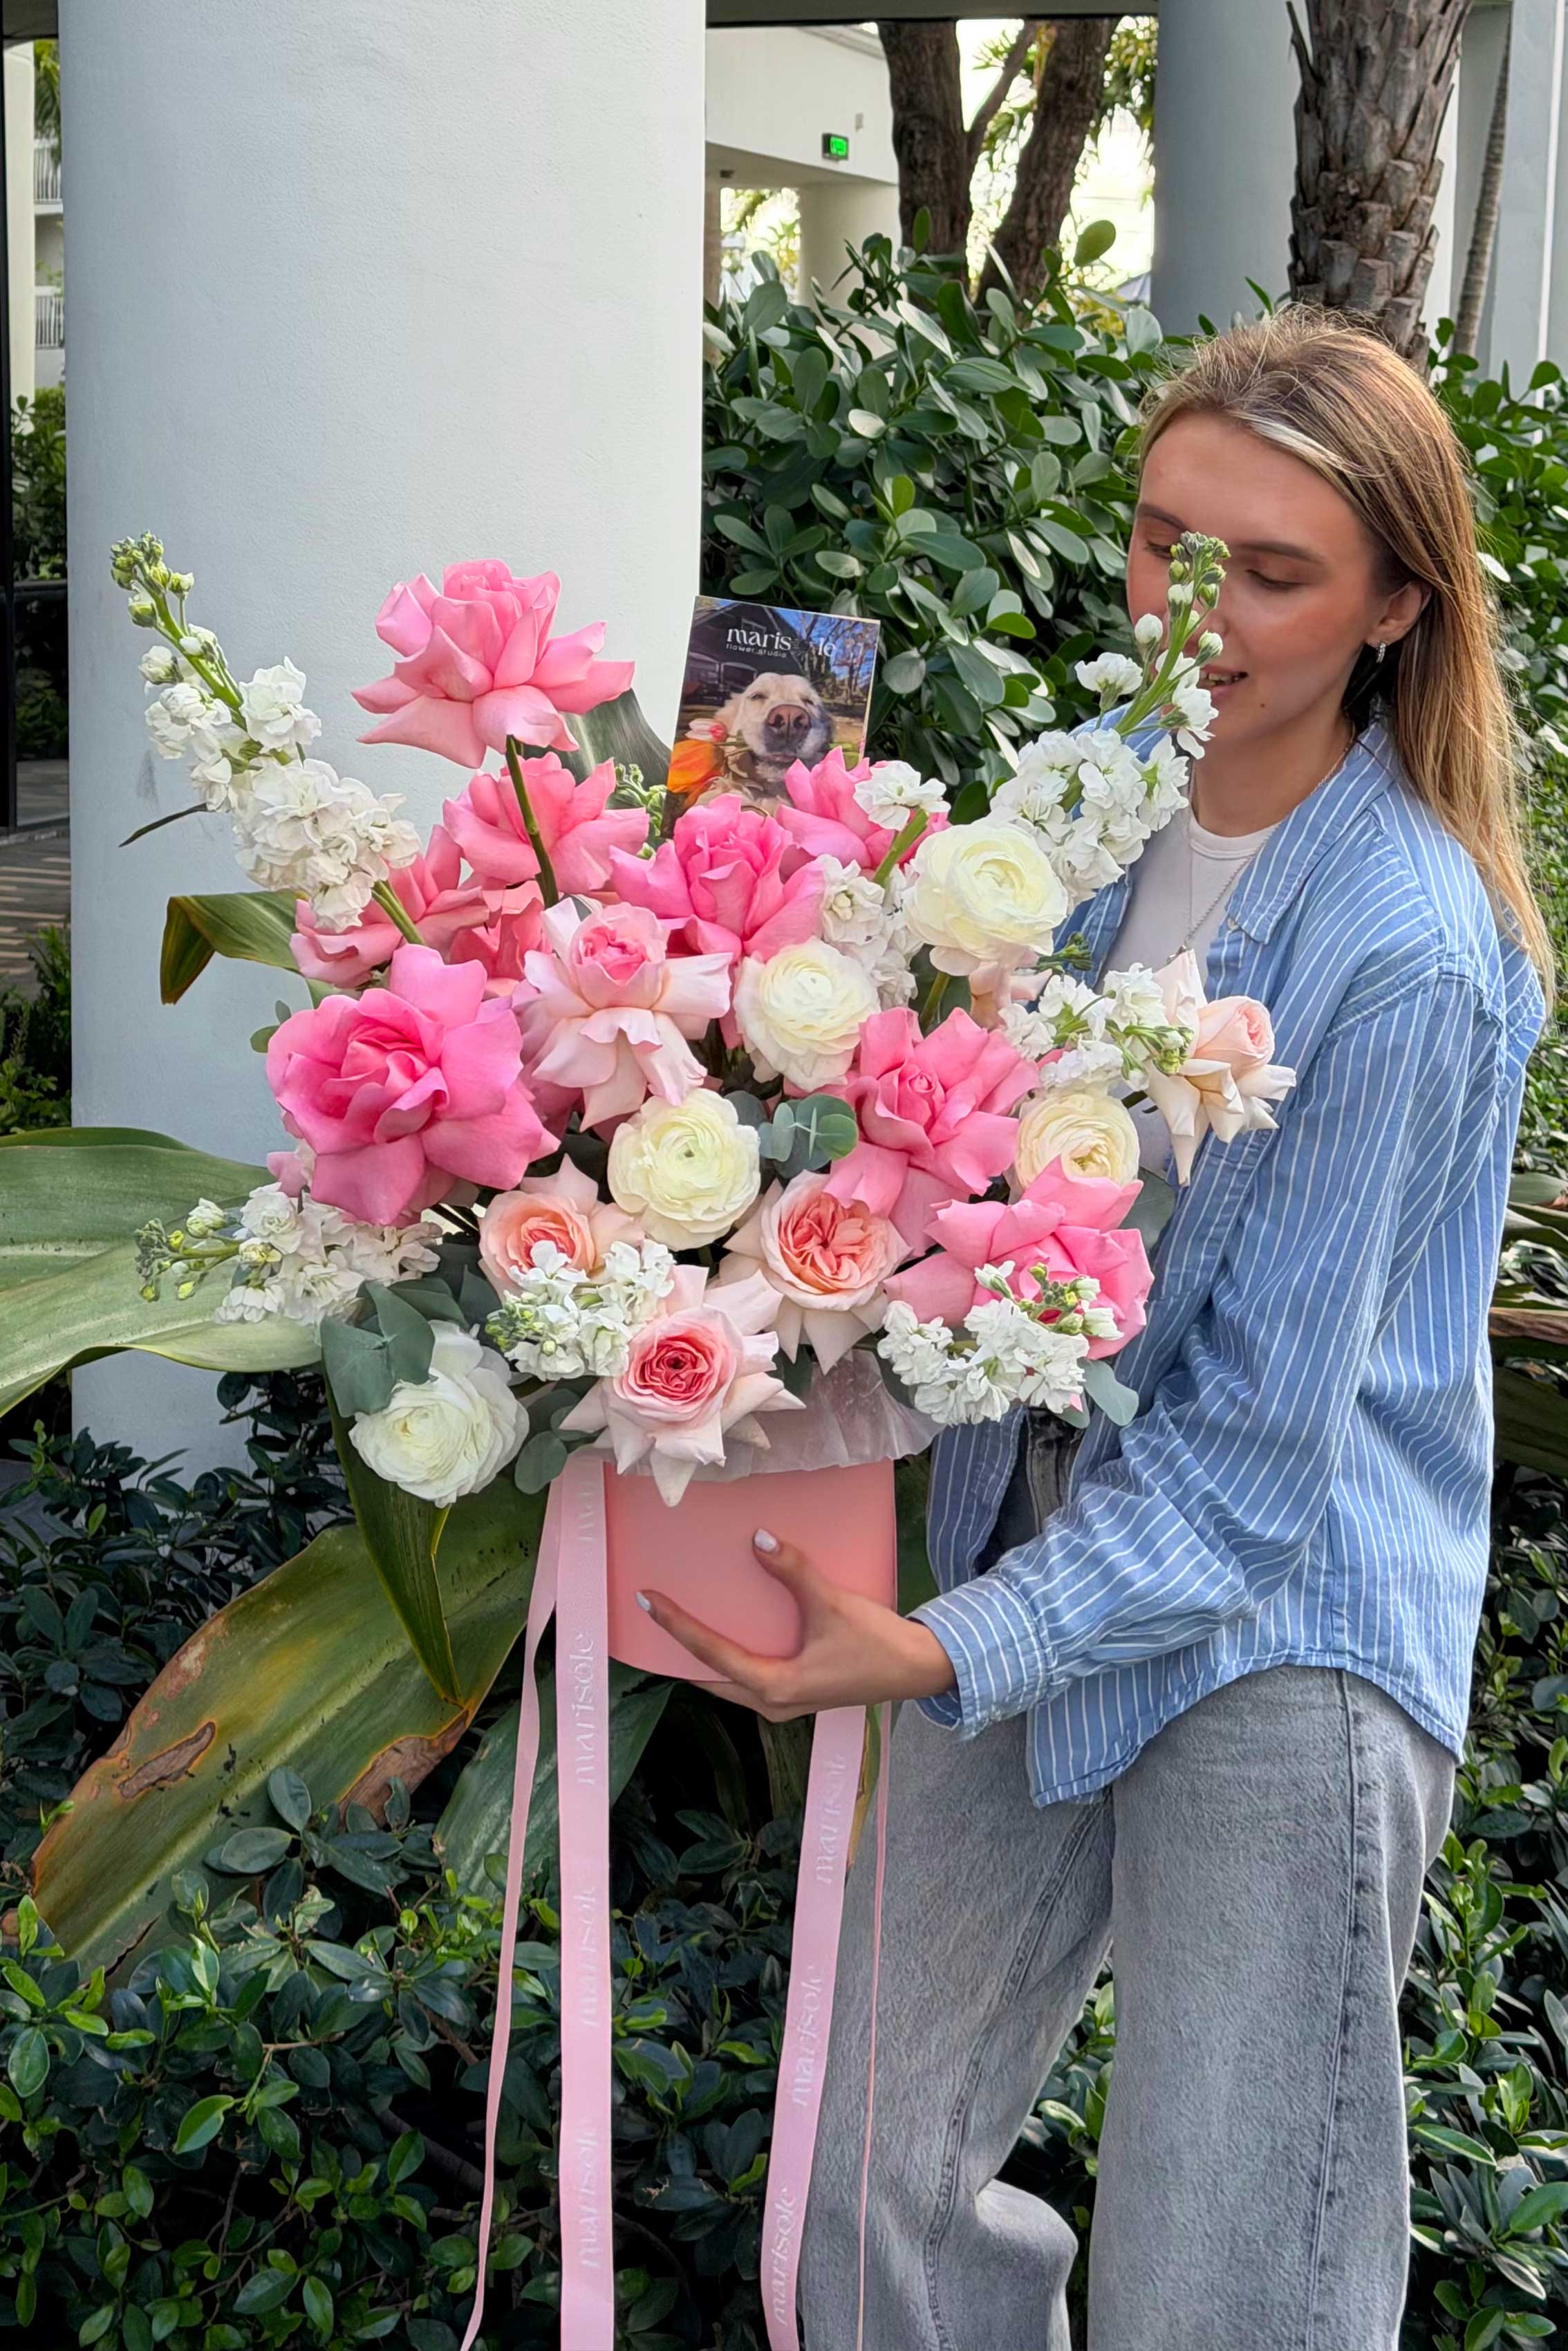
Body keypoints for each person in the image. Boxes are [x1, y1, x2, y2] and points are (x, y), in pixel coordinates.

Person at [637, 306, 1551, 2349]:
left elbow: (1244, 1474)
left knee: (1224, 2277)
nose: (1191, 607)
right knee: (856, 2189)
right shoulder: (1077, 813)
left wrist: (940, 1649)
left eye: (1270, 570)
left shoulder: (1404, 947)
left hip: (1284, 1627)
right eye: (1160, 543)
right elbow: (933, 1165)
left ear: (1397, 602)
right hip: (1006, 1550)